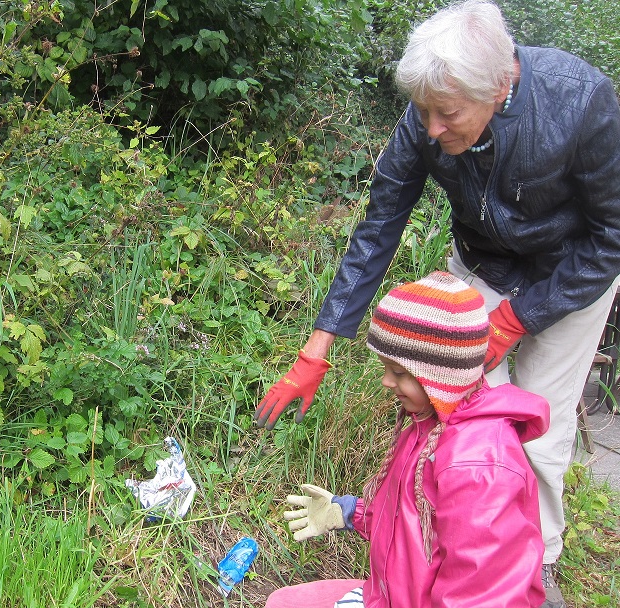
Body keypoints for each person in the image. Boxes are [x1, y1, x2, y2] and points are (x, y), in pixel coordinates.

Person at [253, 1, 620, 605]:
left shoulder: (580, 101)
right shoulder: (432, 107)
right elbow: (381, 223)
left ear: (500, 87)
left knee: (538, 432)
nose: (430, 130)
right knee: (449, 420)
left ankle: (532, 568)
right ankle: (429, 540)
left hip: (572, 274)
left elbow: (612, 235)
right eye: (424, 111)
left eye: (447, 115)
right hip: (482, 267)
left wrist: (519, 317)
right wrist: (319, 345)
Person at [264, 271, 549, 608]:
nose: (386, 382)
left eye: (399, 372)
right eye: (386, 368)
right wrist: (348, 511)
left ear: (442, 376)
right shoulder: (427, 425)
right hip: (389, 596)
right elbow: (410, 520)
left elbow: (485, 595)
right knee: (283, 602)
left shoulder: (479, 466)